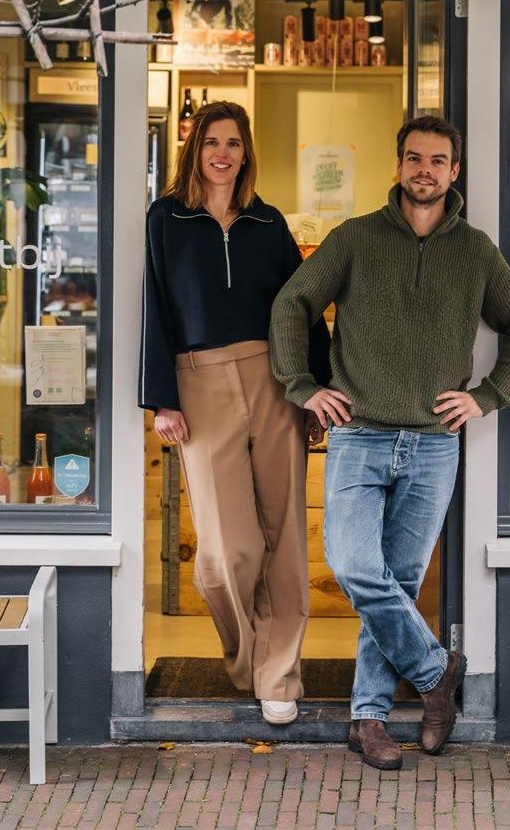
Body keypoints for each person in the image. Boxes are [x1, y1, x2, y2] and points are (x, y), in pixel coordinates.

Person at [270, 114, 510, 769]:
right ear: (398, 166)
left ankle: (368, 719)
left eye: (438, 160)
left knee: (397, 581)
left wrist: (486, 396)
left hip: (434, 444)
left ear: (454, 171)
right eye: (415, 158)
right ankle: (434, 672)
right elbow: (291, 305)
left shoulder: (474, 251)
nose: (425, 170)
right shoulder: (356, 238)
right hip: (359, 435)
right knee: (354, 567)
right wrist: (302, 386)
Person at [139, 100, 329, 727]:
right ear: (194, 150)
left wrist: (314, 389)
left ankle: (280, 677)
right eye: (212, 142)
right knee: (228, 552)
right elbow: (153, 308)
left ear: (247, 153)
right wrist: (161, 398)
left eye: (234, 144)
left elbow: (302, 308)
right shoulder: (166, 218)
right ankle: (249, 660)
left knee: (285, 538)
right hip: (199, 383)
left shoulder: (268, 223)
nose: (223, 154)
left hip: (273, 380)